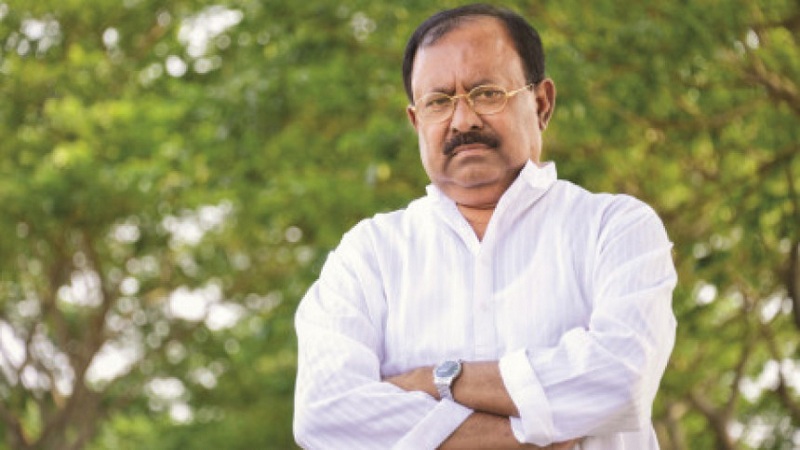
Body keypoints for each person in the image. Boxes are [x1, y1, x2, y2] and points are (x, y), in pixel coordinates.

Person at [293, 3, 677, 449]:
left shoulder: (614, 228)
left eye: (487, 93)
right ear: (416, 121)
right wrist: (526, 438)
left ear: (542, 104)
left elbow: (621, 380)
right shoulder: (370, 255)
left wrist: (438, 380)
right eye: (438, 102)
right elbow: (325, 413)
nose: (463, 120)